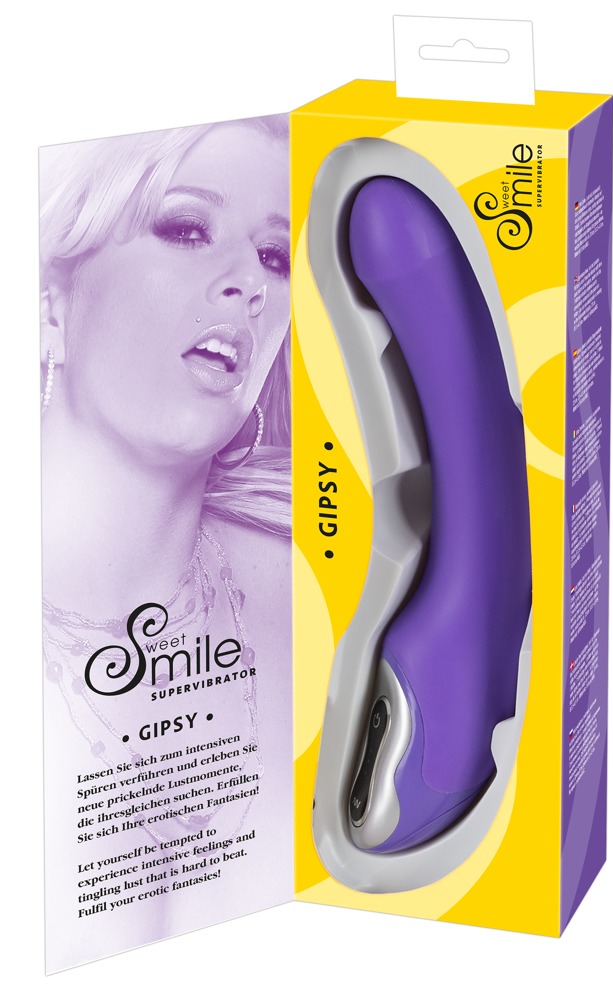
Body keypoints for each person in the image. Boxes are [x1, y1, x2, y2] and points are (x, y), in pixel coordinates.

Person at [40, 116, 292, 969]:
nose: (248, 285)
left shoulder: (326, 593)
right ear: (51, 303)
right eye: (186, 229)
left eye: (274, 257)